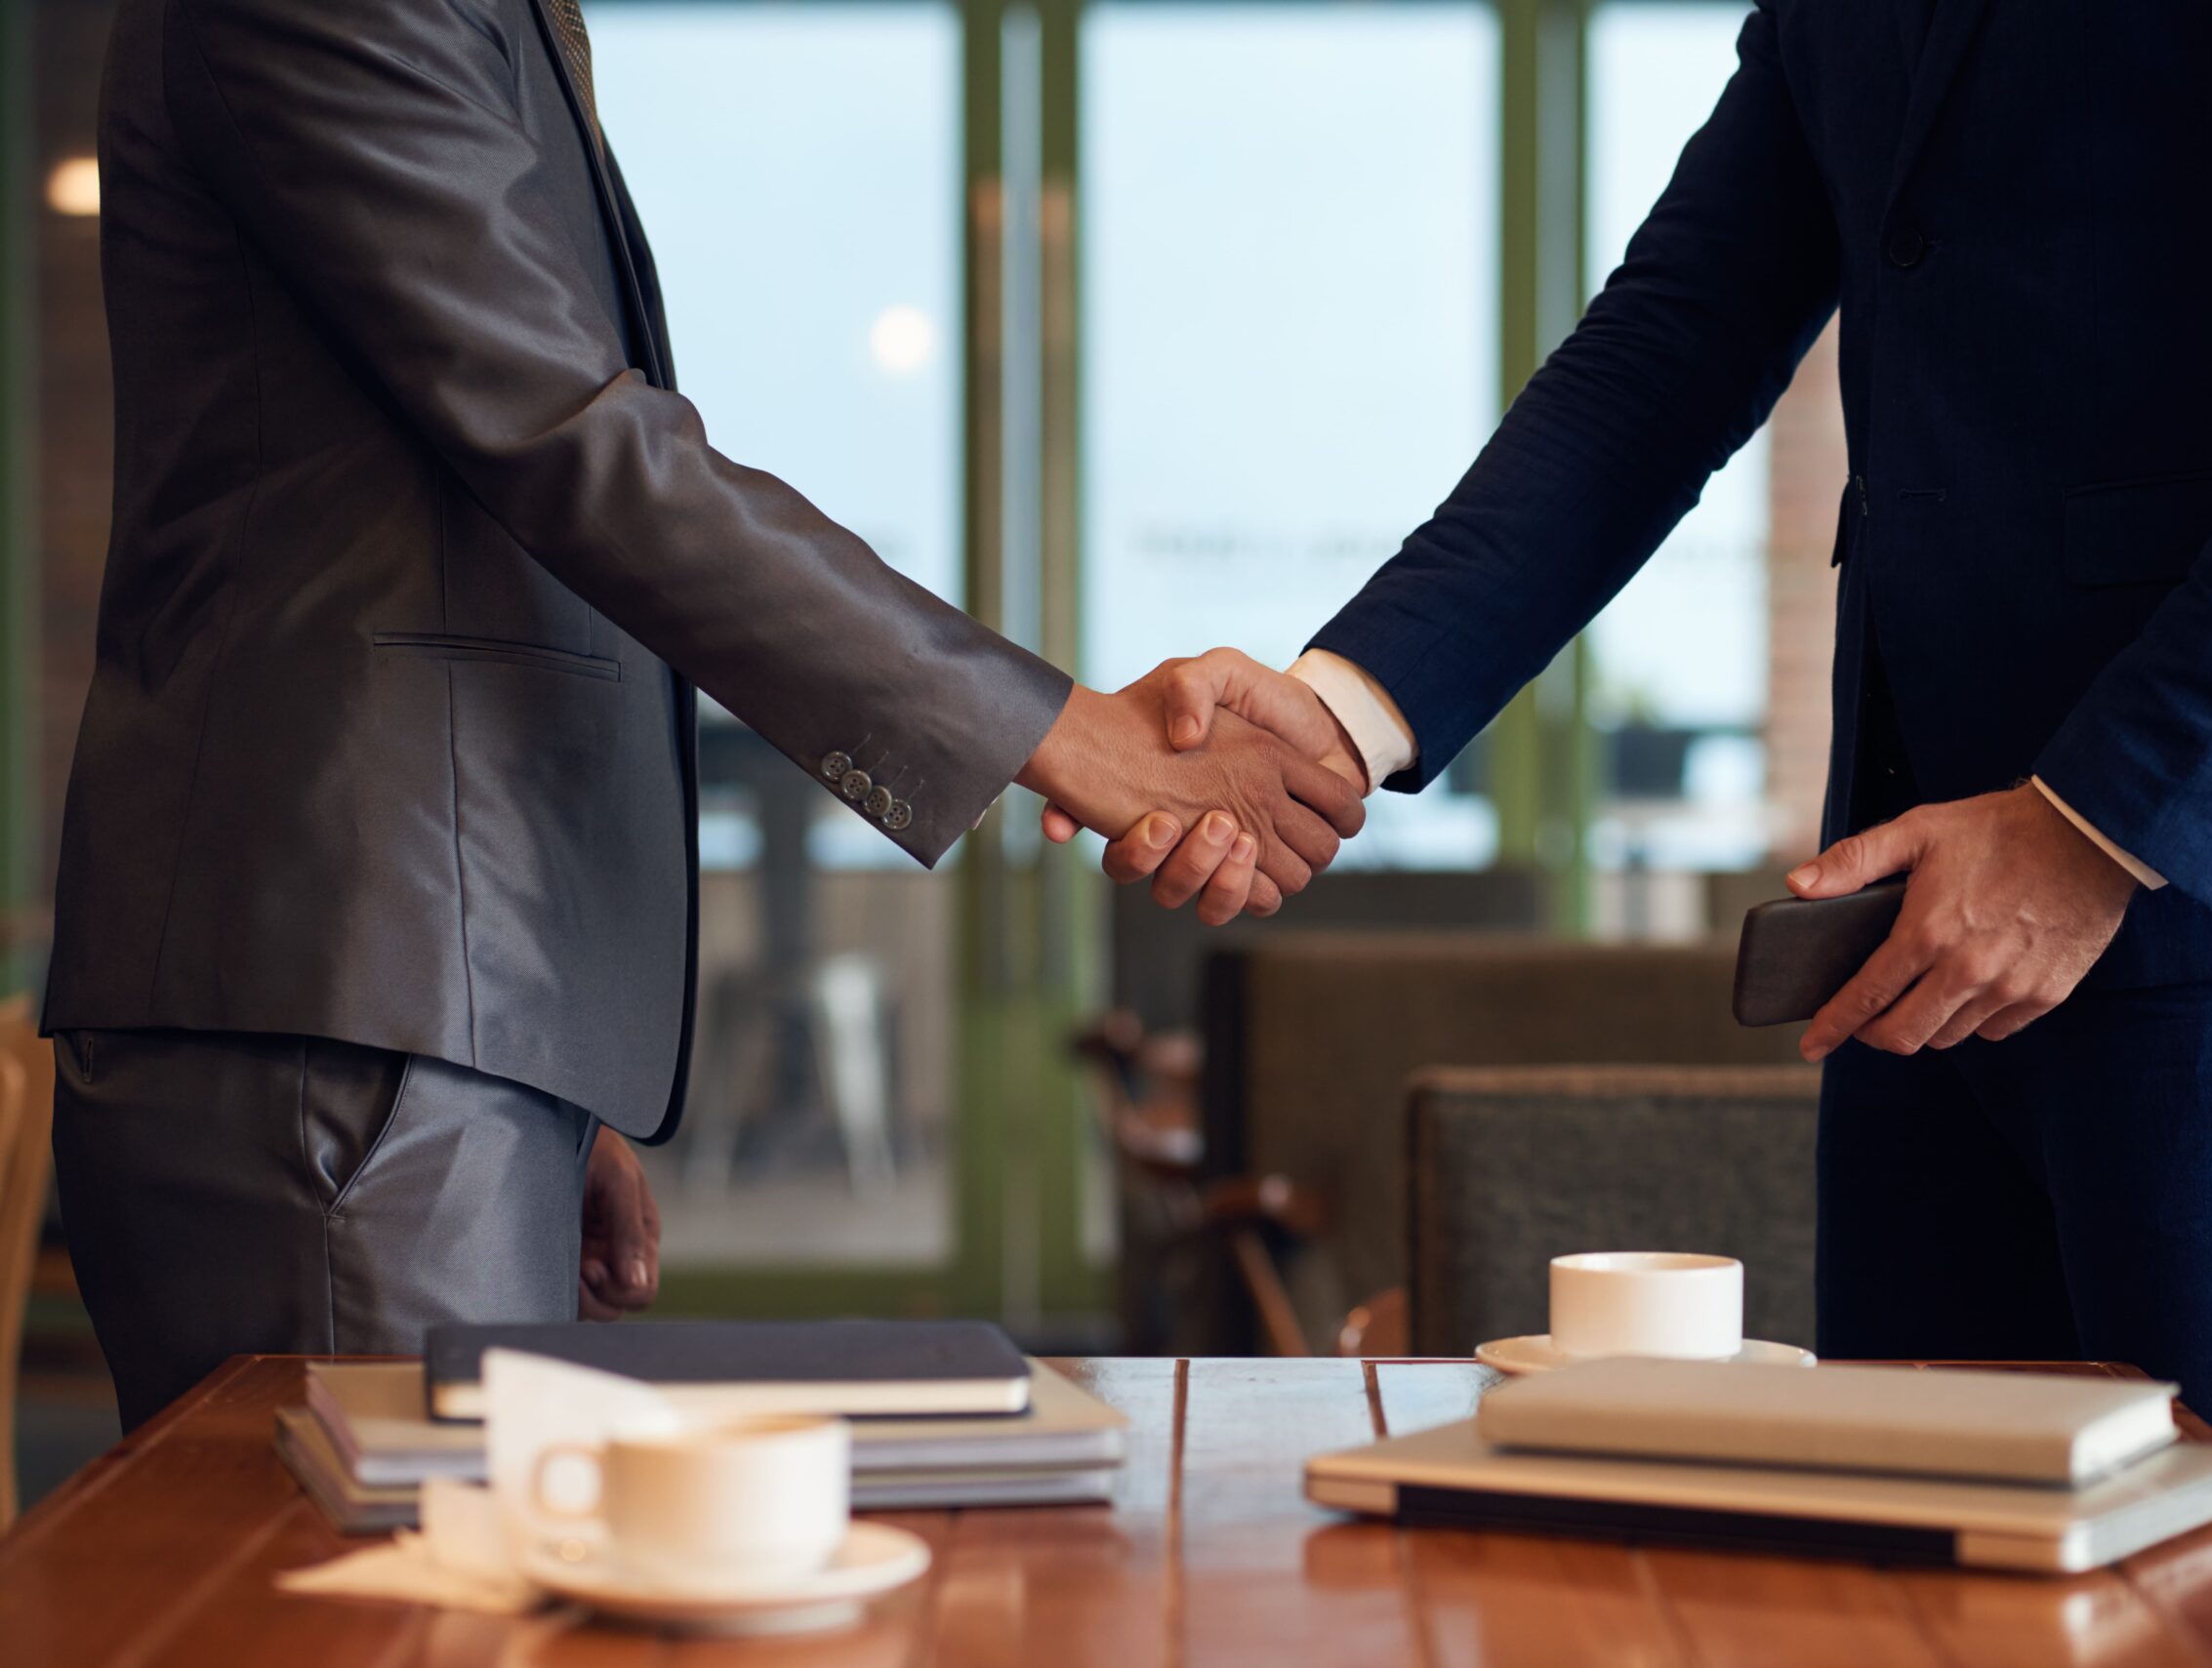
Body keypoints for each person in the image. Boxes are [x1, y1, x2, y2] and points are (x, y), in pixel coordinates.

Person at [1074, 0, 2212, 1583]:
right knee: (1920, 1601)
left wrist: (2093, 824)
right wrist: (1348, 714)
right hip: (1910, 933)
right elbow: (1677, 335)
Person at [43, 0, 1359, 1432]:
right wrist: (1068, 733)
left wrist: (554, 1067)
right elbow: (585, 450)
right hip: (340, 1015)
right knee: (397, 1625)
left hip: (416, 1024)